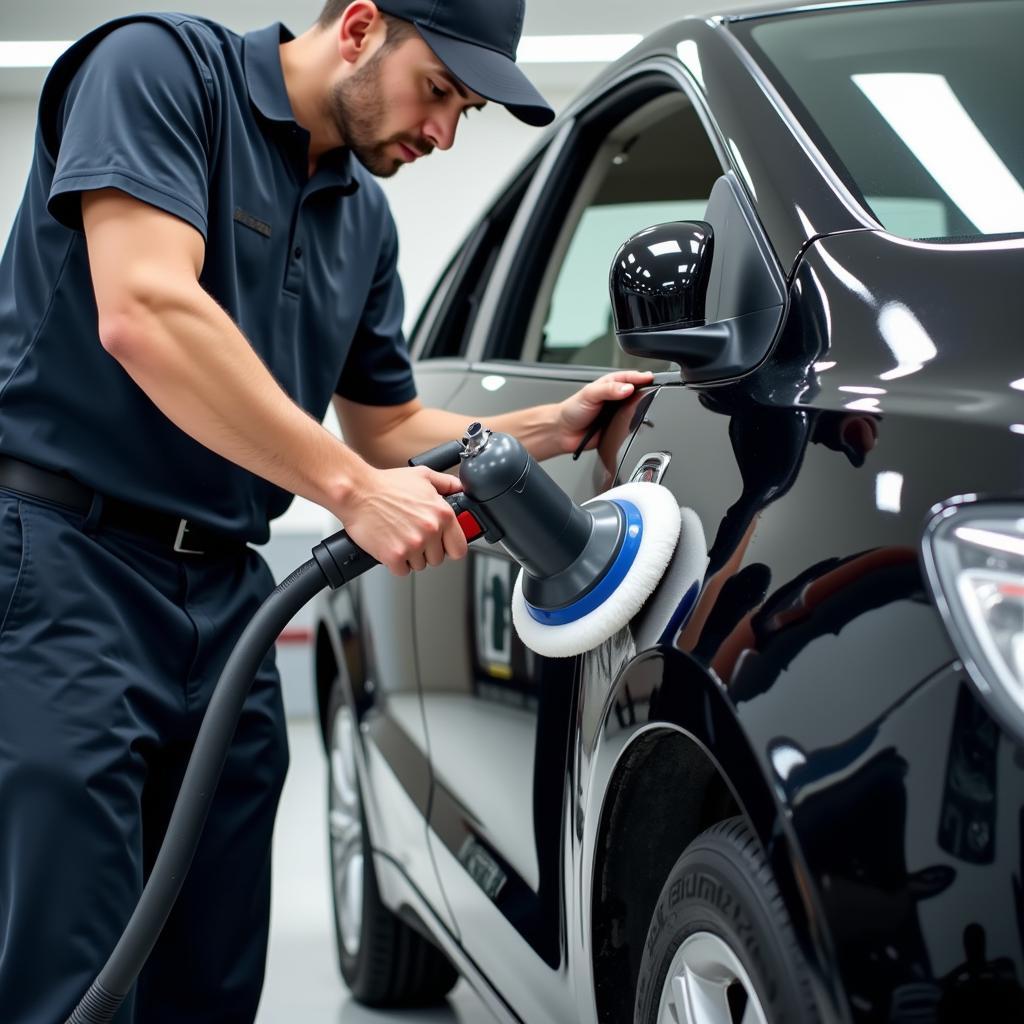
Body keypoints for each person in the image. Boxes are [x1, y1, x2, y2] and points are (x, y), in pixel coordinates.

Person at [0, 0, 653, 1020]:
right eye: (437, 89)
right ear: (357, 28)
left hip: (223, 597)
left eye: (463, 112)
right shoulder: (159, 71)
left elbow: (384, 426)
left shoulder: (361, 218)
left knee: (209, 964)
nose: (441, 132)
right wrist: (349, 493)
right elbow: (142, 309)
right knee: (72, 964)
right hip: (65, 569)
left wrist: (552, 426)